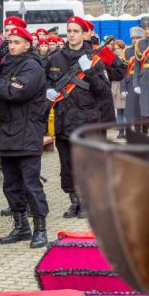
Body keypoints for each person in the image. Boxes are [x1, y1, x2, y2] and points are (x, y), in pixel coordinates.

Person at [0, 26, 49, 248]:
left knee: (31, 184)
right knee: (11, 185)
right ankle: (21, 227)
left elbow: (15, 92)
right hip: (6, 134)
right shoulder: (5, 66)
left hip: (27, 133)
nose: (12, 46)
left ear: (28, 44)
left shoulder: (31, 66)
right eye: (10, 42)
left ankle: (40, 229)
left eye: (17, 42)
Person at [47, 16, 117, 218]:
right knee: (67, 165)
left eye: (76, 31)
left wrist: (90, 72)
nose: (71, 34)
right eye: (69, 30)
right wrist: (47, 91)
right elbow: (45, 82)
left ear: (84, 34)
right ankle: (74, 201)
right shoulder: (55, 58)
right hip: (63, 120)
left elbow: (104, 91)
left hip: (87, 121)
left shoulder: (94, 59)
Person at [123, 26, 144, 125]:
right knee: (131, 109)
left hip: (143, 80)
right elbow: (123, 71)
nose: (135, 40)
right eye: (133, 38)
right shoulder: (127, 51)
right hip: (130, 82)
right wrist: (123, 88)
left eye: (137, 38)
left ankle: (143, 129)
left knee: (143, 107)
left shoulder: (146, 50)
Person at [112, 40, 127, 138]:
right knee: (119, 111)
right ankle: (121, 131)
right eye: (115, 49)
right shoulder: (112, 60)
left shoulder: (126, 59)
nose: (117, 51)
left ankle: (127, 130)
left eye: (119, 48)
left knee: (126, 111)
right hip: (115, 85)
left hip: (125, 85)